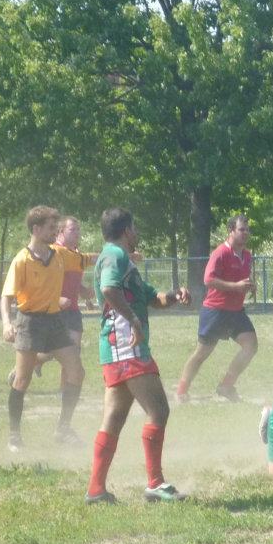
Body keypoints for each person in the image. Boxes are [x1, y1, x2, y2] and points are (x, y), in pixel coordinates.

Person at [84, 207, 192, 504]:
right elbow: (108, 289)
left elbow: (150, 298)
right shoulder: (114, 256)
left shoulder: (124, 261)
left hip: (117, 347)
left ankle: (96, 490)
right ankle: (155, 483)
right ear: (127, 230)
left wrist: (173, 296)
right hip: (125, 345)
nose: (137, 234)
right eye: (135, 228)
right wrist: (132, 319)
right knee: (159, 410)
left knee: (114, 418)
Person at [0, 206, 87, 452]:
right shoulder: (22, 260)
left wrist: (116, 253)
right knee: (22, 379)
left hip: (55, 321)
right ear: (36, 229)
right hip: (29, 322)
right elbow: (7, 297)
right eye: (51, 227)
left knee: (76, 372)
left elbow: (85, 259)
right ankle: (14, 435)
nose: (55, 231)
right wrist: (7, 323)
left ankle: (63, 429)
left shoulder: (59, 254)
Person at [8, 216, 97, 387]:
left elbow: (75, 282)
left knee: (73, 354)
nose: (77, 233)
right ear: (60, 233)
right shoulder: (53, 253)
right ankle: (28, 365)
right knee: (55, 352)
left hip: (72, 309)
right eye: (72, 229)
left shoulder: (75, 253)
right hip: (53, 310)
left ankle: (64, 392)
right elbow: (43, 284)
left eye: (78, 229)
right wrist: (56, 299)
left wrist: (86, 293)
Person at [176, 215, 257, 402]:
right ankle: (181, 391)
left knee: (251, 345)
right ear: (231, 231)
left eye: (247, 230)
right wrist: (236, 286)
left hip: (236, 311)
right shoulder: (220, 252)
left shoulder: (246, 255)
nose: (246, 233)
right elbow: (209, 280)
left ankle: (226, 386)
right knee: (202, 353)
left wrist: (250, 286)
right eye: (241, 229)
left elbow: (241, 279)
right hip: (215, 311)